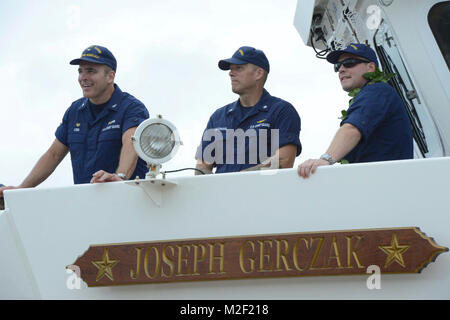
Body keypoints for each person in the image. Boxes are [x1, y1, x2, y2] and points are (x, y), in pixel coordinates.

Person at [0, 45, 149, 199]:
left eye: (91, 71)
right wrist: (20, 190)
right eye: (80, 71)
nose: (83, 77)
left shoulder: (131, 108)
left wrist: (120, 178)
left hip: (127, 202)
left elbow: (131, 143)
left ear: (110, 76)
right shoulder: (75, 111)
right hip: (84, 203)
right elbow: (53, 155)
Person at [297, 43, 413, 178]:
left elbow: (352, 129)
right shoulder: (372, 93)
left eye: (349, 63)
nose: (341, 69)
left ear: (370, 67)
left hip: (384, 183)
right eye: (337, 66)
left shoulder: (377, 91)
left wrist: (325, 160)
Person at [195, 46, 302, 174]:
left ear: (258, 73)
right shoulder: (218, 117)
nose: (230, 73)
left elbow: (284, 160)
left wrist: (238, 181)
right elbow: (202, 167)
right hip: (222, 193)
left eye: (238, 68)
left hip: (263, 193)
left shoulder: (281, 111)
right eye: (230, 69)